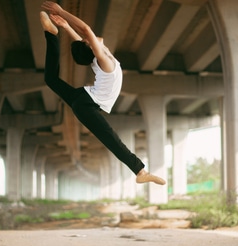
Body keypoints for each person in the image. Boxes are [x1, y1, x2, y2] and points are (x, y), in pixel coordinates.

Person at [40, 1, 165, 185]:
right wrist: (62, 12)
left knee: (51, 79)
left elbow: (81, 39)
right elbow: (85, 29)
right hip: (86, 105)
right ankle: (140, 171)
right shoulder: (103, 60)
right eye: (88, 41)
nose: (90, 38)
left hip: (83, 99)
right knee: (111, 138)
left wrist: (65, 26)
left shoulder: (99, 56)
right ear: (91, 47)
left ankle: (51, 35)